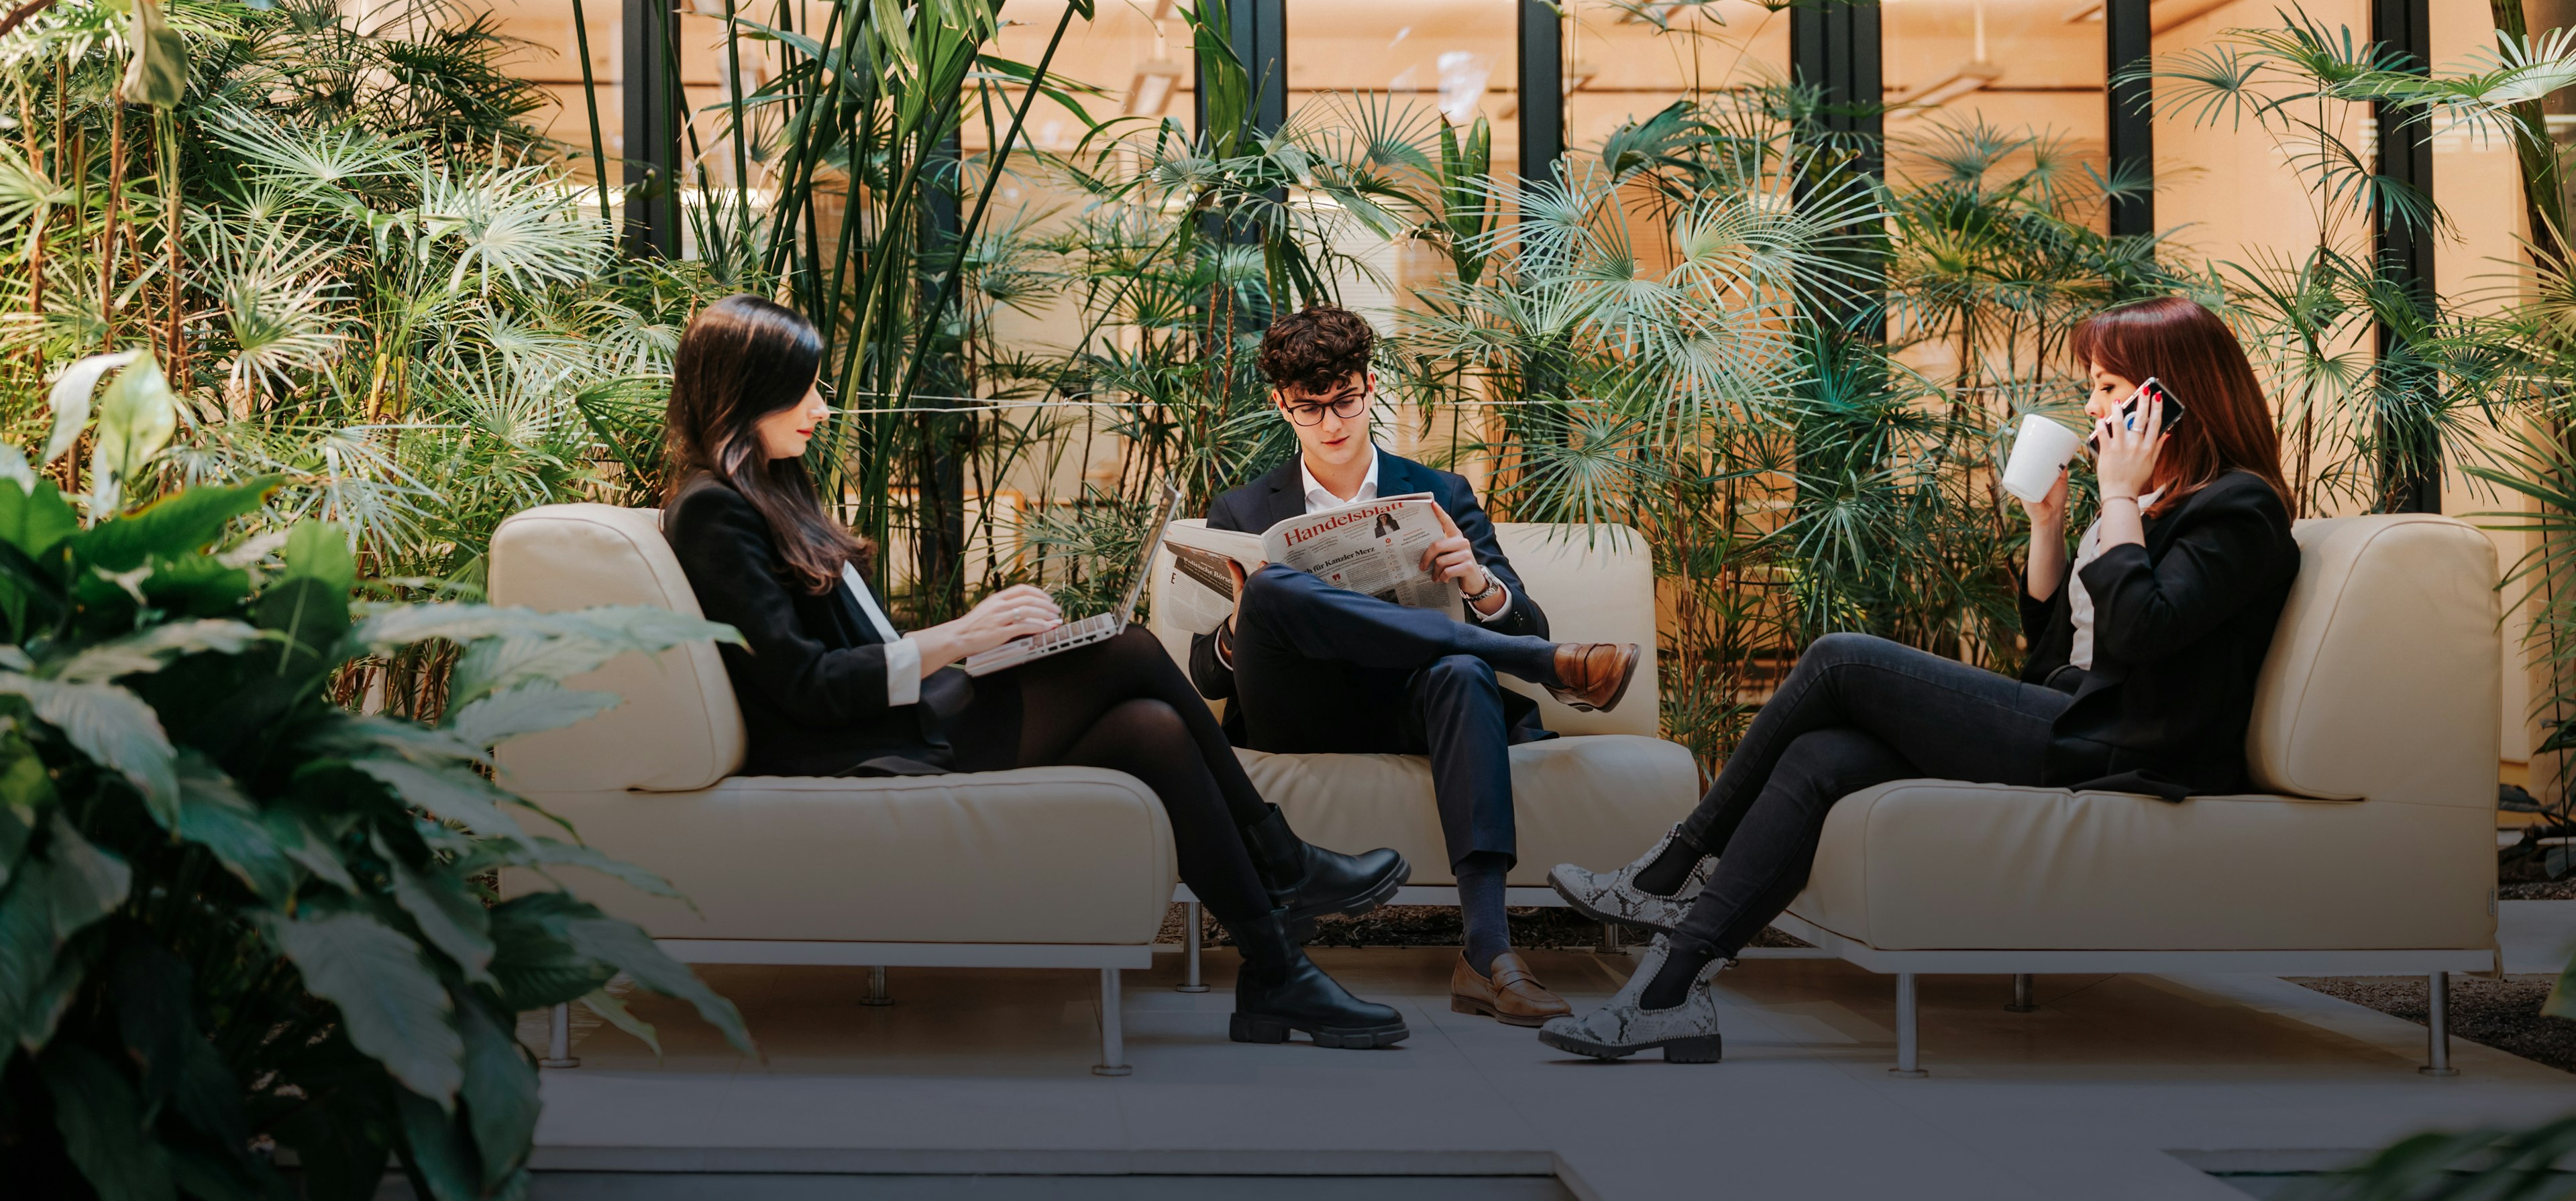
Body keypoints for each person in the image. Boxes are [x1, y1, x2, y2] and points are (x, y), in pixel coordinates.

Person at [1539, 295, 2302, 1063]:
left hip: (2138, 748)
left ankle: (1669, 869)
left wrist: (2118, 499)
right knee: (1823, 758)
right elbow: (2057, 658)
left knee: (1841, 658)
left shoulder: (2240, 507)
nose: (2094, 404)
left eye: (2110, 386)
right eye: (2095, 385)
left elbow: (2145, 633)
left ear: (2174, 396)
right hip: (2078, 720)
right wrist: (2048, 526)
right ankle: (1668, 997)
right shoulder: (2142, 507)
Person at [660, 294, 1413, 1051]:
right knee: (1129, 651)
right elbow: (804, 684)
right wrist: (960, 636)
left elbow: (857, 649)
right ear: (744, 390)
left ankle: (1276, 973)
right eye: (805, 389)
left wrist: (986, 649)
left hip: (892, 717)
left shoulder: (770, 487)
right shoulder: (711, 511)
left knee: (1148, 729)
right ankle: (1283, 863)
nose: (822, 407)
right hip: (859, 749)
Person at [1189, 304, 1642, 1029]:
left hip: (1410, 704)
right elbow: (1207, 682)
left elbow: (1530, 615)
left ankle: (1489, 955)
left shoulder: (1440, 494)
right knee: (1273, 586)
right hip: (1297, 709)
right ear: (1282, 404)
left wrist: (1478, 585)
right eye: (1312, 409)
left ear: (1371, 385)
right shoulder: (1243, 510)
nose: (1333, 422)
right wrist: (1244, 620)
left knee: (1464, 674)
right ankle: (1546, 668)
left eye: (1346, 399)